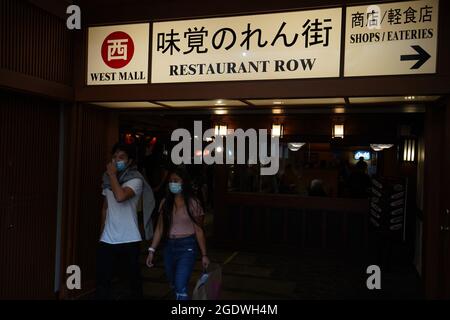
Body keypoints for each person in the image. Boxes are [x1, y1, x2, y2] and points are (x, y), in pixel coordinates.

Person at [96, 143, 155, 300]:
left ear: (130, 161)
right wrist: (101, 233)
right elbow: (105, 208)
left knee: (131, 284)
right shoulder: (107, 179)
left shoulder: (135, 179)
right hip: (107, 239)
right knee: (103, 281)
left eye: (121, 157)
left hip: (129, 238)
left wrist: (113, 175)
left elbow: (120, 197)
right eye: (114, 157)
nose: (116, 160)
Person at [146, 166, 210, 300]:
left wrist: (204, 254)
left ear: (184, 182)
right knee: (173, 282)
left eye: (176, 180)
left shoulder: (193, 203)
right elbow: (159, 228)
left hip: (187, 247)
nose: (172, 183)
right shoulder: (165, 203)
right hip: (169, 247)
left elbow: (199, 229)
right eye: (170, 181)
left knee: (180, 284)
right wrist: (152, 250)